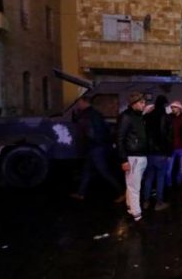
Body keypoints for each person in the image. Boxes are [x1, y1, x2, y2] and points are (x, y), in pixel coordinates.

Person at [70, 95, 125, 203]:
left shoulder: (89, 115)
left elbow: (91, 132)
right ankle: (81, 193)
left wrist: (89, 142)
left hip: (95, 147)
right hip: (95, 147)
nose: (78, 105)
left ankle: (122, 192)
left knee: (104, 171)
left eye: (79, 102)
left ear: (84, 102)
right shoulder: (94, 113)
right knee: (87, 170)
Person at [117, 91, 148, 221]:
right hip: (133, 156)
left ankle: (130, 206)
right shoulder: (127, 117)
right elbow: (120, 138)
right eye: (141, 102)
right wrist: (124, 159)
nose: (144, 104)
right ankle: (137, 213)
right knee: (134, 186)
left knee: (131, 184)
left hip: (140, 155)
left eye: (144, 102)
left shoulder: (139, 116)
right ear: (134, 103)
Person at [141, 95, 171, 211]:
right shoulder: (166, 118)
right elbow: (169, 137)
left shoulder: (148, 117)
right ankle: (159, 202)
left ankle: (146, 201)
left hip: (149, 153)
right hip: (161, 153)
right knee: (160, 178)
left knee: (148, 177)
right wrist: (168, 152)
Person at [166, 100, 182, 187]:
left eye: (174, 107)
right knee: (168, 169)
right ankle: (168, 184)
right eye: (172, 107)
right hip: (171, 147)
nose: (173, 109)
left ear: (179, 108)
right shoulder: (169, 119)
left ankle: (179, 183)